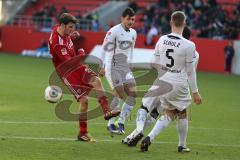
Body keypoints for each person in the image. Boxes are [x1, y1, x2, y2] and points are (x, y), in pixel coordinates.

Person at [125, 11, 202, 152]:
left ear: (171, 22)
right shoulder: (190, 46)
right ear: (184, 24)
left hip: (162, 80)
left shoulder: (162, 39)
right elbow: (191, 71)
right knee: (181, 112)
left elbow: (153, 62)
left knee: (163, 111)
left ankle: (141, 132)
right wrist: (195, 92)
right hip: (178, 82)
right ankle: (180, 144)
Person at [48, 13, 120, 142]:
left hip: (76, 66)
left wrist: (71, 35)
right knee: (84, 101)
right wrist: (81, 53)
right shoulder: (57, 43)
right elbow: (70, 63)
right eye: (70, 27)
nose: (72, 30)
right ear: (63, 25)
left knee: (96, 81)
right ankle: (82, 132)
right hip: (68, 73)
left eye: (73, 27)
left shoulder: (60, 30)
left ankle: (107, 111)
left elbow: (66, 39)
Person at [99, 8, 137, 134]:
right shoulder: (113, 31)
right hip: (112, 66)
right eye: (128, 19)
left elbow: (131, 49)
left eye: (133, 19)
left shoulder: (133, 33)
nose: (131, 22)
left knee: (133, 94)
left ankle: (120, 122)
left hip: (125, 67)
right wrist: (101, 66)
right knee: (119, 94)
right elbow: (104, 49)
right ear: (122, 18)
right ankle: (110, 124)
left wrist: (130, 63)